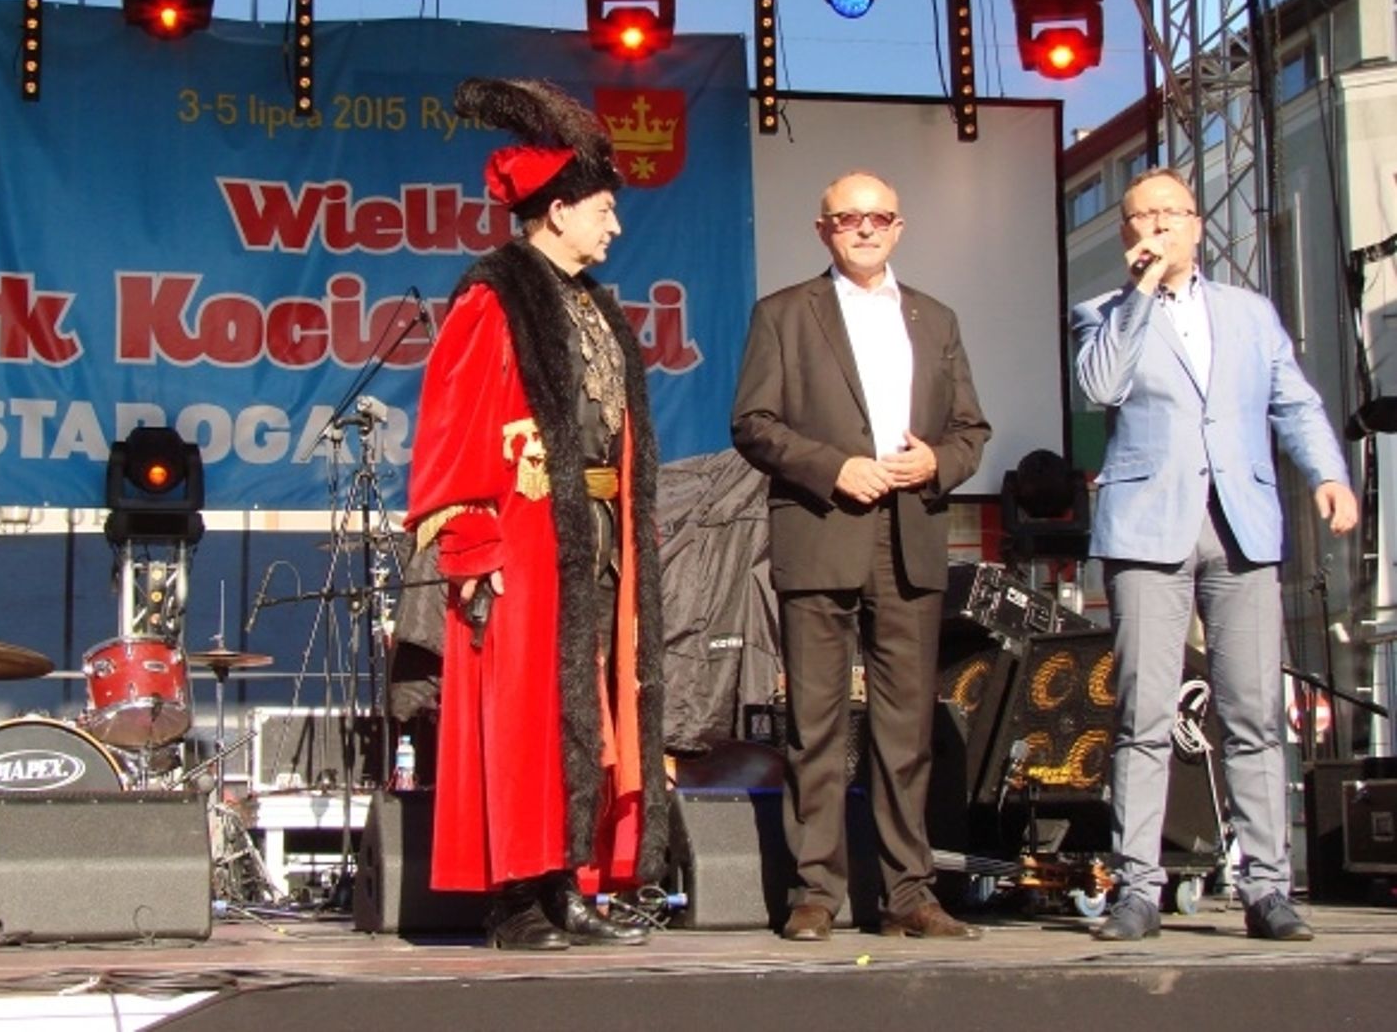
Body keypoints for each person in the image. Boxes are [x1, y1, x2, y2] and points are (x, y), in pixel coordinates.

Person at [404, 78, 667, 951]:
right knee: (524, 720)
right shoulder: (494, 298)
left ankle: (569, 882)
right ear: (557, 211)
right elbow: (451, 428)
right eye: (603, 209)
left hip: (594, 536)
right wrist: (472, 546)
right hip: (521, 540)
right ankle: (515, 898)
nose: (615, 226)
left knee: (588, 712)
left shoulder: (595, 304)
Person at [1072, 166, 1359, 942]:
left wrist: (1328, 474)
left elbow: (1294, 402)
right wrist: (1139, 292)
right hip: (1147, 528)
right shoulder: (1103, 311)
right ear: (1127, 231)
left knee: (1254, 712)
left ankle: (1268, 888)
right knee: (1144, 713)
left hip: (1241, 526)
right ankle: (1137, 889)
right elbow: (1100, 386)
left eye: (1174, 212)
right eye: (1145, 214)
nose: (1161, 224)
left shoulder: (1249, 313)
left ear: (1198, 226)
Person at [731, 171, 990, 941]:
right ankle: (815, 893)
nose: (866, 229)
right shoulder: (784, 313)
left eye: (879, 218)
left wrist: (936, 462)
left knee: (906, 729)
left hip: (909, 533)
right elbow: (753, 422)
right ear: (824, 231)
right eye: (848, 219)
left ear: (900, 227)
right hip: (822, 525)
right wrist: (833, 467)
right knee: (814, 723)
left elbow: (971, 430)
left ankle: (909, 893)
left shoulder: (935, 318)